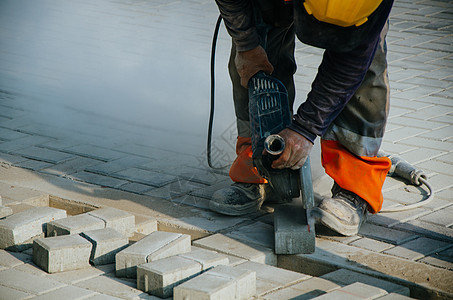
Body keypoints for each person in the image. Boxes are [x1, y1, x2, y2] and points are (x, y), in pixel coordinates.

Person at [210, 0, 395, 236]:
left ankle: (354, 185)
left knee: (365, 65)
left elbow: (349, 65)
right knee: (255, 52)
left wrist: (305, 128)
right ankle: (261, 165)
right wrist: (246, 45)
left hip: (355, 13)